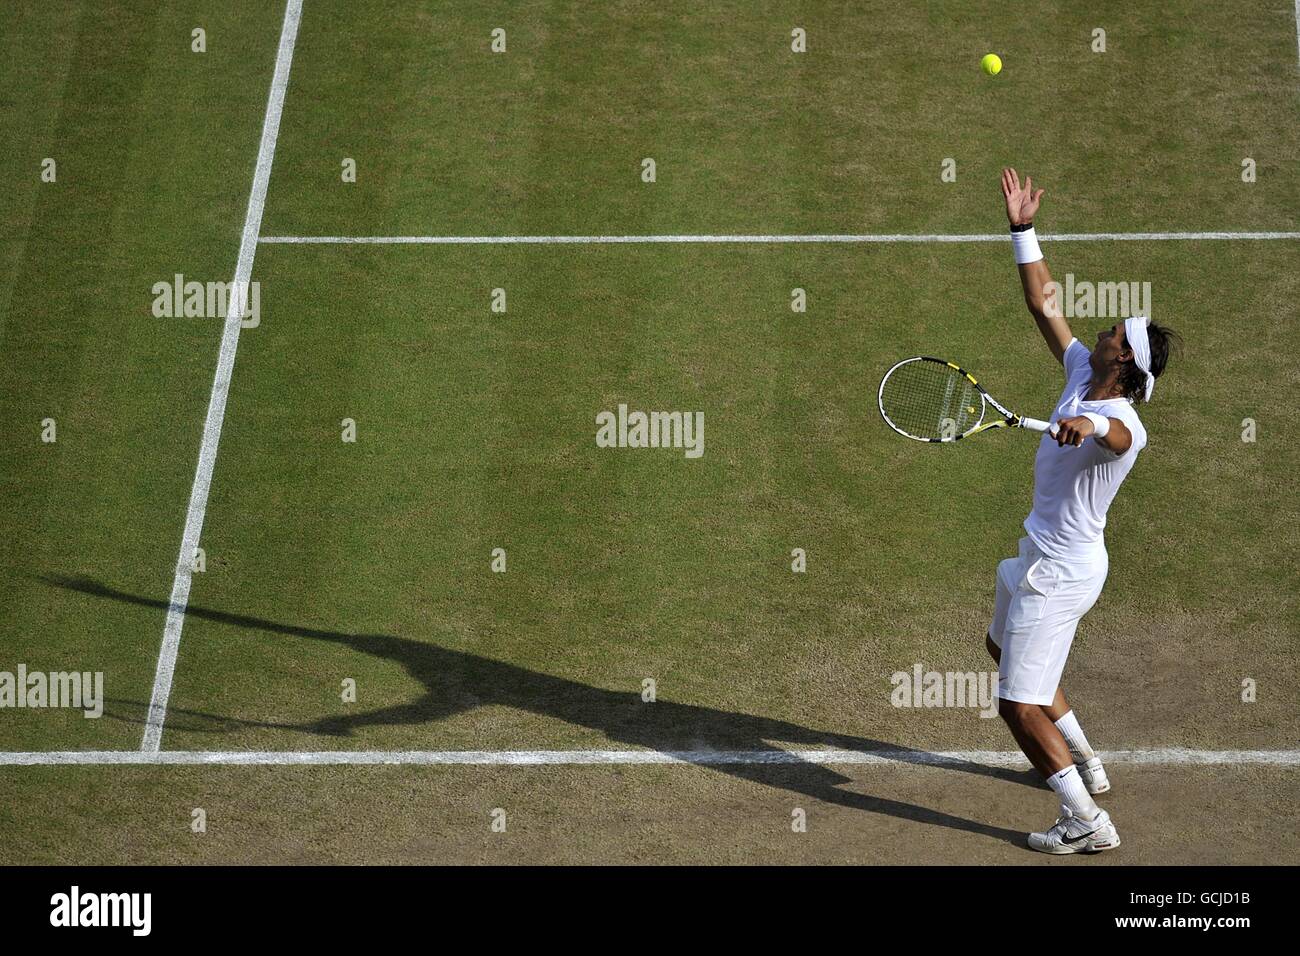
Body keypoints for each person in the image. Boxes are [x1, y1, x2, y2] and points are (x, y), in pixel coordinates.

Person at [991, 167, 1179, 854]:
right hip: (1041, 554)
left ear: (1124, 363)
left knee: (1015, 702)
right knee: (1000, 647)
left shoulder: (1124, 419)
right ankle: (1089, 764)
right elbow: (1045, 305)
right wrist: (1023, 229)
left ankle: (1087, 823)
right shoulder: (1080, 374)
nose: (1101, 331)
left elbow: (1119, 436)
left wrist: (1092, 428)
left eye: (1113, 334)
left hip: (1065, 571)